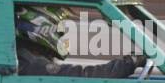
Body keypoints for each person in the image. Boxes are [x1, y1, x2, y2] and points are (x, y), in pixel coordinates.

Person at [14, 5, 144, 78]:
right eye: (59, 27)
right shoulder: (31, 63)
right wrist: (130, 62)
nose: (62, 32)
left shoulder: (23, 57)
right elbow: (82, 76)